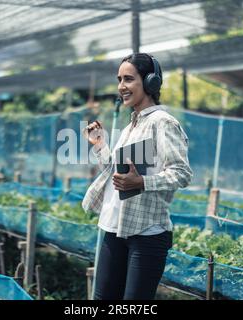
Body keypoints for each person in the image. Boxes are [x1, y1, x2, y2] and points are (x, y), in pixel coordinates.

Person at [82, 53, 193, 300]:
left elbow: (182, 173)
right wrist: (100, 145)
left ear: (151, 82)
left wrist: (142, 182)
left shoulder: (163, 122)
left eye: (129, 79)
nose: (121, 86)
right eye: (119, 79)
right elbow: (116, 171)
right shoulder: (133, 123)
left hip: (147, 234)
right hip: (115, 228)